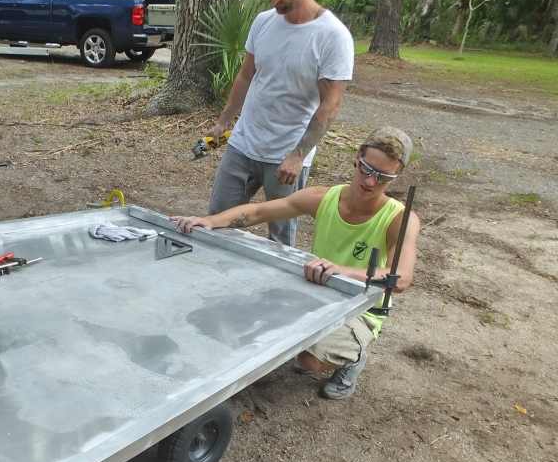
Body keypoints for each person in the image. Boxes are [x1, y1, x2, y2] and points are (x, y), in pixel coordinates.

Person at [172, 128, 421, 400]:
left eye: (383, 178)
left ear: (396, 176)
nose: (371, 182)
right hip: (315, 290)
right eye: (367, 169)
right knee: (236, 316)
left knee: (307, 360)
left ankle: (352, 357)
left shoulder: (400, 218)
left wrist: (344, 272)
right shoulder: (323, 198)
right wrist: (211, 221)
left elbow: (402, 278)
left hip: (361, 308)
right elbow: (256, 212)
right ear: (357, 158)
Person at [208, 0, 354, 247]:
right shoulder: (263, 22)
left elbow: (330, 104)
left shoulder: (332, 35)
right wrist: (224, 121)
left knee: (280, 240)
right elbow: (245, 75)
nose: (274, 0)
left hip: (286, 157)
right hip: (243, 144)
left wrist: (298, 156)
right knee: (215, 222)